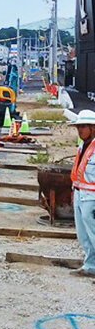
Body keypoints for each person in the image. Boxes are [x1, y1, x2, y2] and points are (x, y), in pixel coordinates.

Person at [71, 109, 95, 278]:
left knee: (93, 233)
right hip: (80, 194)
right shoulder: (83, 146)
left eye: (83, 127)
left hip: (92, 197)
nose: (80, 131)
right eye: (78, 127)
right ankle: (90, 266)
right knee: (84, 235)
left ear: (93, 128)